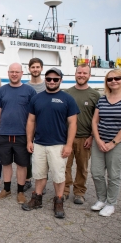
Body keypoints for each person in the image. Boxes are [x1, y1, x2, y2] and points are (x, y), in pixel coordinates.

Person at [22, 67, 79, 218]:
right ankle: (37, 198)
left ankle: (58, 201)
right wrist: (29, 140)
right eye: (49, 79)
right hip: (39, 143)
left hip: (58, 144)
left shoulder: (67, 99)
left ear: (60, 80)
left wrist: (69, 145)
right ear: (45, 80)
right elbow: (31, 121)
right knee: (39, 174)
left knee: (58, 175)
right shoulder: (37, 98)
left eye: (55, 79)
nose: (52, 82)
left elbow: (73, 124)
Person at [90, 69, 121, 217]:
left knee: (113, 175)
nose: (113, 81)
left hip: (119, 143)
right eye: (110, 79)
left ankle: (111, 203)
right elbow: (95, 120)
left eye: (117, 78)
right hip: (99, 141)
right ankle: (101, 199)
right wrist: (98, 140)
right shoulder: (103, 99)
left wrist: (113, 142)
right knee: (97, 173)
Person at [0, 63, 36, 204]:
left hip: (22, 135)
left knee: (22, 165)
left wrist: (31, 137)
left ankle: (21, 191)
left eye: (17, 72)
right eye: (12, 71)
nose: (14, 74)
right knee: (5, 163)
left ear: (22, 73)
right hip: (4, 134)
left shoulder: (29, 91)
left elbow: (33, 116)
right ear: (8, 73)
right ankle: (6, 189)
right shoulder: (2, 91)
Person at [64, 64, 100, 204]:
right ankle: (65, 190)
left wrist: (92, 137)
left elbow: (97, 119)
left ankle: (79, 192)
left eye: (85, 73)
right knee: (65, 166)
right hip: (67, 137)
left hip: (85, 138)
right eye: (79, 72)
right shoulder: (67, 93)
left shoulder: (95, 95)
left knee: (82, 167)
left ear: (89, 75)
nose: (81, 75)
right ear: (75, 73)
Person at [25, 57, 46, 193]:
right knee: (27, 154)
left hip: (43, 125)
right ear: (29, 69)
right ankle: (27, 179)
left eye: (37, 67)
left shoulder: (47, 84)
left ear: (41, 68)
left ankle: (41, 182)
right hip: (28, 124)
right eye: (33, 67)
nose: (35, 69)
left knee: (42, 156)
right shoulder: (26, 86)